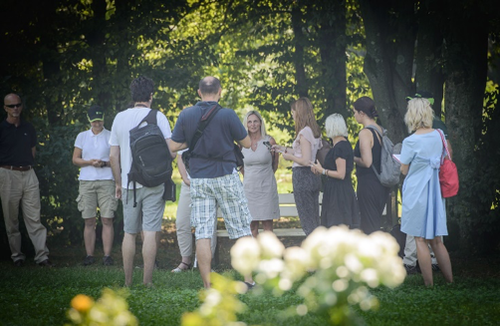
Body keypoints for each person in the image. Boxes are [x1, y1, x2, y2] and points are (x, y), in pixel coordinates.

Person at [169, 76, 254, 289]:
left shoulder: (186, 114)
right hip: (226, 175)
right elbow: (246, 142)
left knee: (203, 231)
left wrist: (193, 140)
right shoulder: (228, 114)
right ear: (220, 92)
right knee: (241, 228)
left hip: (199, 179)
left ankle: (207, 286)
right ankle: (249, 280)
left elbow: (173, 146)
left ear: (199, 92)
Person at [109, 76, 174, 286]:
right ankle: (147, 282)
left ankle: (128, 283)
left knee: (129, 233)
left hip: (129, 185)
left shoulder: (119, 118)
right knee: (150, 231)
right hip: (154, 183)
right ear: (151, 96)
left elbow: (112, 156)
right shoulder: (158, 116)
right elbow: (172, 152)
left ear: (133, 96)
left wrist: (118, 183)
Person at [400, 98, 453, 286]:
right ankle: (450, 282)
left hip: (417, 190)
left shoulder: (410, 141)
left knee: (419, 239)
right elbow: (445, 157)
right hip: (434, 190)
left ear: (411, 116)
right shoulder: (439, 134)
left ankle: (429, 285)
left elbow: (404, 169)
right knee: (437, 240)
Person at [0, 93, 53, 267]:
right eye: (11, 106)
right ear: (5, 108)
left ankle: (42, 256)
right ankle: (17, 256)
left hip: (29, 173)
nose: (15, 108)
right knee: (11, 220)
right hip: (8, 174)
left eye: (18, 105)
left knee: (34, 218)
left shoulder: (28, 128)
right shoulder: (1, 129)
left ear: (22, 106)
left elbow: (33, 152)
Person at [72, 105, 117, 266]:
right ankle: (89, 255)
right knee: (89, 220)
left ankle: (107, 255)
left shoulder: (111, 135)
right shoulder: (82, 136)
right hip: (87, 180)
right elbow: (75, 159)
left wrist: (104, 163)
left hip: (106, 180)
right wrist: (90, 162)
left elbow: (115, 159)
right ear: (89, 120)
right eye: (94, 121)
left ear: (103, 118)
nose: (97, 123)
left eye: (99, 120)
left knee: (107, 218)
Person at [273, 98, 322, 236]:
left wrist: (289, 158)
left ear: (299, 112)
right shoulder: (314, 130)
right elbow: (304, 152)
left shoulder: (304, 132)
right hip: (313, 176)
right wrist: (283, 149)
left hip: (303, 176)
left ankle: (314, 251)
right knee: (313, 217)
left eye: (293, 112)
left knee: (307, 220)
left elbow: (305, 160)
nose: (292, 115)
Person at [310, 113, 359, 228]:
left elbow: (340, 174)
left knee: (337, 227)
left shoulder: (339, 148)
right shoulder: (344, 145)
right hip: (339, 190)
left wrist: (322, 171)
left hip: (338, 193)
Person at [171, 150, 217, 273]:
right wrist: (186, 179)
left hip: (208, 184)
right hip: (189, 185)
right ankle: (185, 261)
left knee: (208, 226)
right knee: (182, 222)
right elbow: (180, 156)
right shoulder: (186, 131)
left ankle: (205, 263)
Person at [352, 96, 390, 234]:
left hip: (368, 184)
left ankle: (374, 254)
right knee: (374, 222)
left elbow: (367, 162)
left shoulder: (365, 133)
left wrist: (353, 158)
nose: (354, 115)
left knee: (369, 227)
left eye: (355, 112)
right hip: (380, 183)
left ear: (362, 113)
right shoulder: (380, 130)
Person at [241, 111, 280, 238]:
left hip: (266, 188)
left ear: (260, 123)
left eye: (255, 121)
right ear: (246, 124)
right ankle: (254, 255)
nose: (253, 125)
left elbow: (275, 164)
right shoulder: (241, 143)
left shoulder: (269, 141)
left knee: (268, 225)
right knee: (252, 226)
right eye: (250, 122)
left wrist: (264, 175)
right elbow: (240, 165)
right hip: (249, 189)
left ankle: (269, 256)